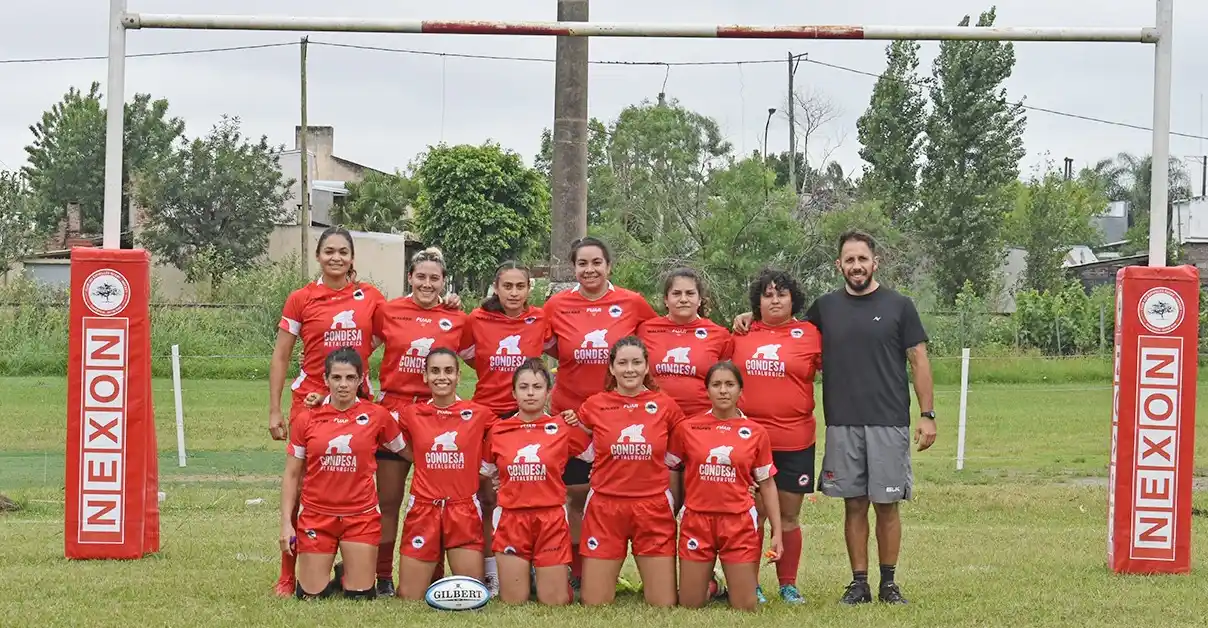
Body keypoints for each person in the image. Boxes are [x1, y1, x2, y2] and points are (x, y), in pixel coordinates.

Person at [804, 230, 935, 605]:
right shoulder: (825, 308)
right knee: (854, 504)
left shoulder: (899, 306)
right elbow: (787, 333)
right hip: (842, 422)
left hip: (888, 421)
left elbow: (919, 360)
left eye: (862, 259)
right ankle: (858, 583)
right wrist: (750, 316)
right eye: (849, 260)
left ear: (875, 262)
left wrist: (927, 414)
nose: (856, 265)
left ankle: (888, 583)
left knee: (887, 505)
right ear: (839, 265)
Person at [269, 226, 385, 596]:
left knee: (351, 475)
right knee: (304, 483)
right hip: (310, 400)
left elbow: (395, 329)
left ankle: (352, 554)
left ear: (352, 258)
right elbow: (282, 355)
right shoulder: (301, 298)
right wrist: (274, 410)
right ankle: (287, 573)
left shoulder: (370, 296)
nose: (336, 257)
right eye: (329, 251)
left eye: (343, 252)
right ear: (318, 256)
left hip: (356, 398)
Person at [543, 236, 658, 587]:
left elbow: (663, 332)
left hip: (622, 418)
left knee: (619, 493)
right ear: (573, 267)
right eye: (582, 263)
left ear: (609, 266)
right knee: (575, 494)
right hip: (572, 415)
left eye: (597, 263)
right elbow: (540, 342)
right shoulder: (557, 305)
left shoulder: (632, 302)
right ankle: (579, 572)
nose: (589, 269)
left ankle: (629, 566)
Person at [370, 246, 471, 595]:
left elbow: (482, 358)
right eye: (421, 277)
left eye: (435, 278)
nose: (427, 284)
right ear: (410, 277)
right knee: (389, 500)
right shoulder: (389, 311)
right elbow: (358, 351)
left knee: (438, 501)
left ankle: (434, 573)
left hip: (438, 416)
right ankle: (383, 575)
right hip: (395, 412)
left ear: (444, 282)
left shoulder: (456, 318)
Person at [726, 268, 821, 604]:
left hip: (795, 440)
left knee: (789, 515)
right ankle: (750, 583)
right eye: (767, 295)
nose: (775, 300)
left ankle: (788, 584)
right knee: (754, 514)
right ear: (758, 301)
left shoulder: (811, 334)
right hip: (750, 442)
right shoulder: (741, 333)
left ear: (793, 299)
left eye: (781, 294)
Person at [279, 347, 405, 600]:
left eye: (350, 378)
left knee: (360, 597)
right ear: (326, 380)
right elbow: (291, 475)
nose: (343, 384)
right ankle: (333, 571)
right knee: (311, 597)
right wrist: (285, 524)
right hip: (317, 516)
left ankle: (346, 572)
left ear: (360, 380)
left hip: (360, 517)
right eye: (336, 377)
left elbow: (405, 451)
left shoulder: (377, 416)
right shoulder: (306, 418)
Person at [463, 261, 555, 594]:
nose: (514, 293)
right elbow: (469, 355)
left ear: (529, 288)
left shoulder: (540, 318)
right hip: (489, 415)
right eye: (507, 286)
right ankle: (493, 570)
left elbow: (556, 352)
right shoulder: (477, 319)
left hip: (529, 414)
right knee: (488, 495)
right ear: (496, 287)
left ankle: (534, 566)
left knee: (531, 490)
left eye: (520, 286)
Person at [575, 336, 683, 607]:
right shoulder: (595, 405)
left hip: (652, 506)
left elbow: (684, 447)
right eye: (622, 363)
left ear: (646, 367)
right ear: (612, 368)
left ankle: (710, 581)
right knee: (594, 602)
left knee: (663, 604)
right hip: (605, 506)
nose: (630, 369)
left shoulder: (665, 405)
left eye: (636, 362)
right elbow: (576, 441)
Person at [667, 361, 783, 611]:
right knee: (690, 604)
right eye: (716, 385)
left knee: (745, 606)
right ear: (707, 390)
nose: (723, 390)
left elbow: (767, 483)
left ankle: (729, 582)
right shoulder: (687, 428)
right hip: (697, 520)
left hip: (738, 522)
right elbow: (672, 468)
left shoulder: (755, 432)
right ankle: (713, 585)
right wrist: (672, 509)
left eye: (729, 384)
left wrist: (777, 531)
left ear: (740, 390)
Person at [481, 359, 592, 606]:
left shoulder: (562, 426)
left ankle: (549, 575)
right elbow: (485, 470)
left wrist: (579, 425)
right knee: (513, 601)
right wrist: (503, 481)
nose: (530, 393)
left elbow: (596, 454)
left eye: (537, 387)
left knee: (554, 602)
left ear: (548, 391)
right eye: (523, 387)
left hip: (550, 518)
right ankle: (528, 573)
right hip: (511, 518)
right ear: (513, 393)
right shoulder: (498, 430)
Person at [394, 348, 495, 599]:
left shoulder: (478, 413)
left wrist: (487, 468)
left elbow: (510, 431)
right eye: (435, 371)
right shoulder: (411, 413)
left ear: (458, 376)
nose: (442, 377)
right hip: (423, 508)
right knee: (409, 597)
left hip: (463, 509)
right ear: (425, 376)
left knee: (472, 594)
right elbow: (377, 423)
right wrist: (323, 401)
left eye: (448, 371)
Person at [637, 267, 732, 418]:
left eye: (690, 293)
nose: (683, 299)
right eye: (676, 293)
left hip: (701, 420)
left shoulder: (720, 335)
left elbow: (729, 380)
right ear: (666, 299)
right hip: (654, 416)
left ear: (700, 299)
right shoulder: (645, 330)